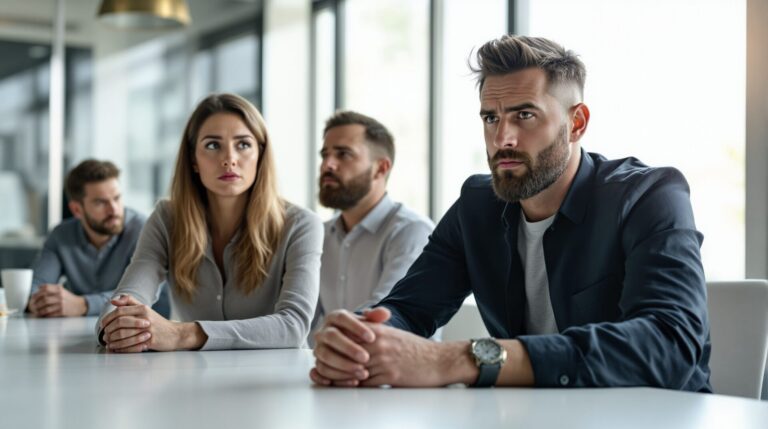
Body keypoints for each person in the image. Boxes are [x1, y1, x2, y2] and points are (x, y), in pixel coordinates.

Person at [310, 35, 711, 391]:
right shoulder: (477, 206)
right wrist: (355, 338)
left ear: (576, 123)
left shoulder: (649, 195)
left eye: (525, 115)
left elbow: (671, 344)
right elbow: (409, 308)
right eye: (491, 118)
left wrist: (460, 359)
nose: (503, 139)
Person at [96, 93, 323, 352]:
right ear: (193, 160)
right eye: (213, 145)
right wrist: (116, 328)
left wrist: (183, 334)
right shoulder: (167, 219)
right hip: (196, 374)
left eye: (243, 144)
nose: (229, 159)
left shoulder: (302, 225)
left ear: (261, 155)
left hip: (276, 375)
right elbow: (123, 302)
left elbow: (293, 326)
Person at [314, 111, 434, 330]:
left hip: (398, 352)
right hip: (334, 351)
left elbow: (385, 316)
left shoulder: (412, 232)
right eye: (325, 155)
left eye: (343, 154)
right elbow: (302, 320)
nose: (327, 165)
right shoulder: (319, 235)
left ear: (381, 168)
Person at [27, 159, 169, 318]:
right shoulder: (61, 235)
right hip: (79, 328)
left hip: (146, 327)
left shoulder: (145, 230)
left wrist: (83, 305)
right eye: (101, 202)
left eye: (117, 198)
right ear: (76, 209)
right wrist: (37, 301)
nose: (113, 209)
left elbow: (138, 298)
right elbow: (35, 287)